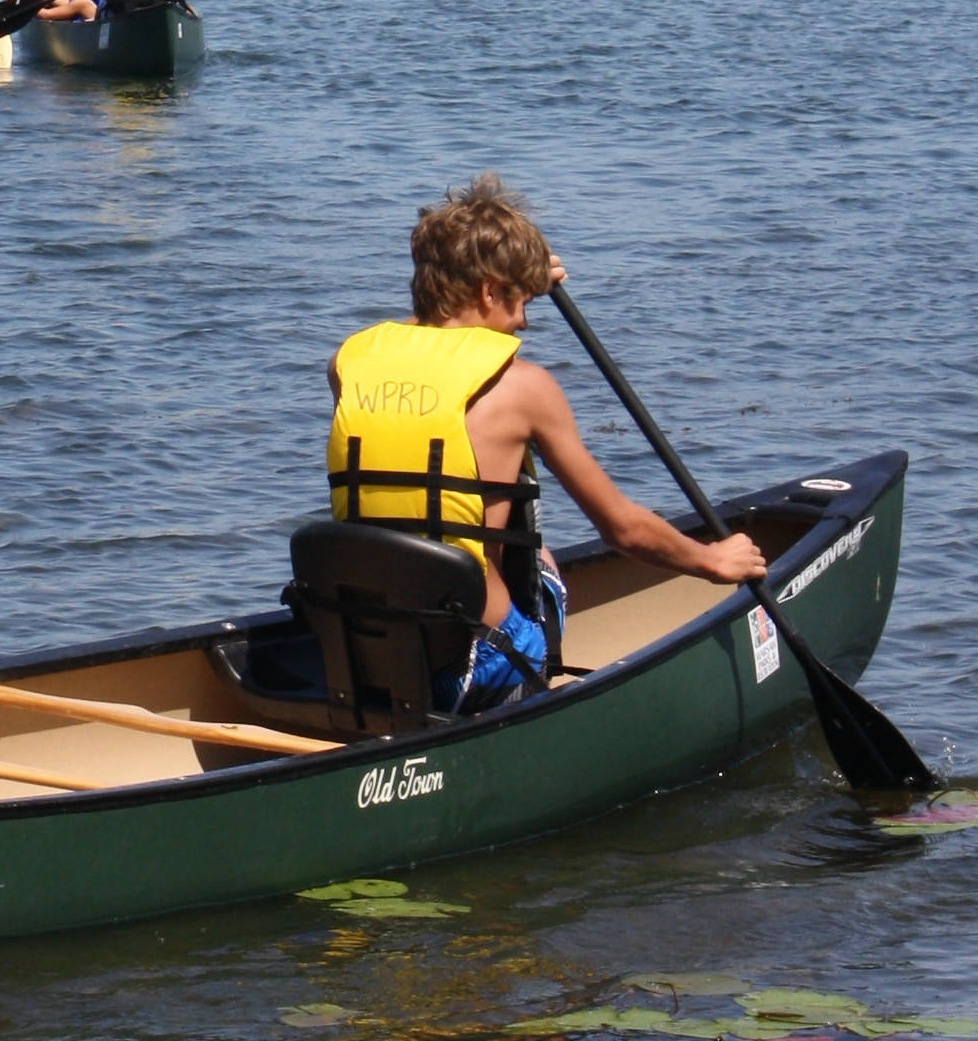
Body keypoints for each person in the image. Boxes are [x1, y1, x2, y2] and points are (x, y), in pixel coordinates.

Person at [325, 175, 766, 713]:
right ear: (488, 290)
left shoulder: (347, 365)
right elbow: (621, 529)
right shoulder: (524, 388)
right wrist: (713, 560)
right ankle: (532, 701)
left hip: (359, 644)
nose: (523, 323)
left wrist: (518, 273)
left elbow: (431, 341)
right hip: (473, 662)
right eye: (519, 306)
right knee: (544, 565)